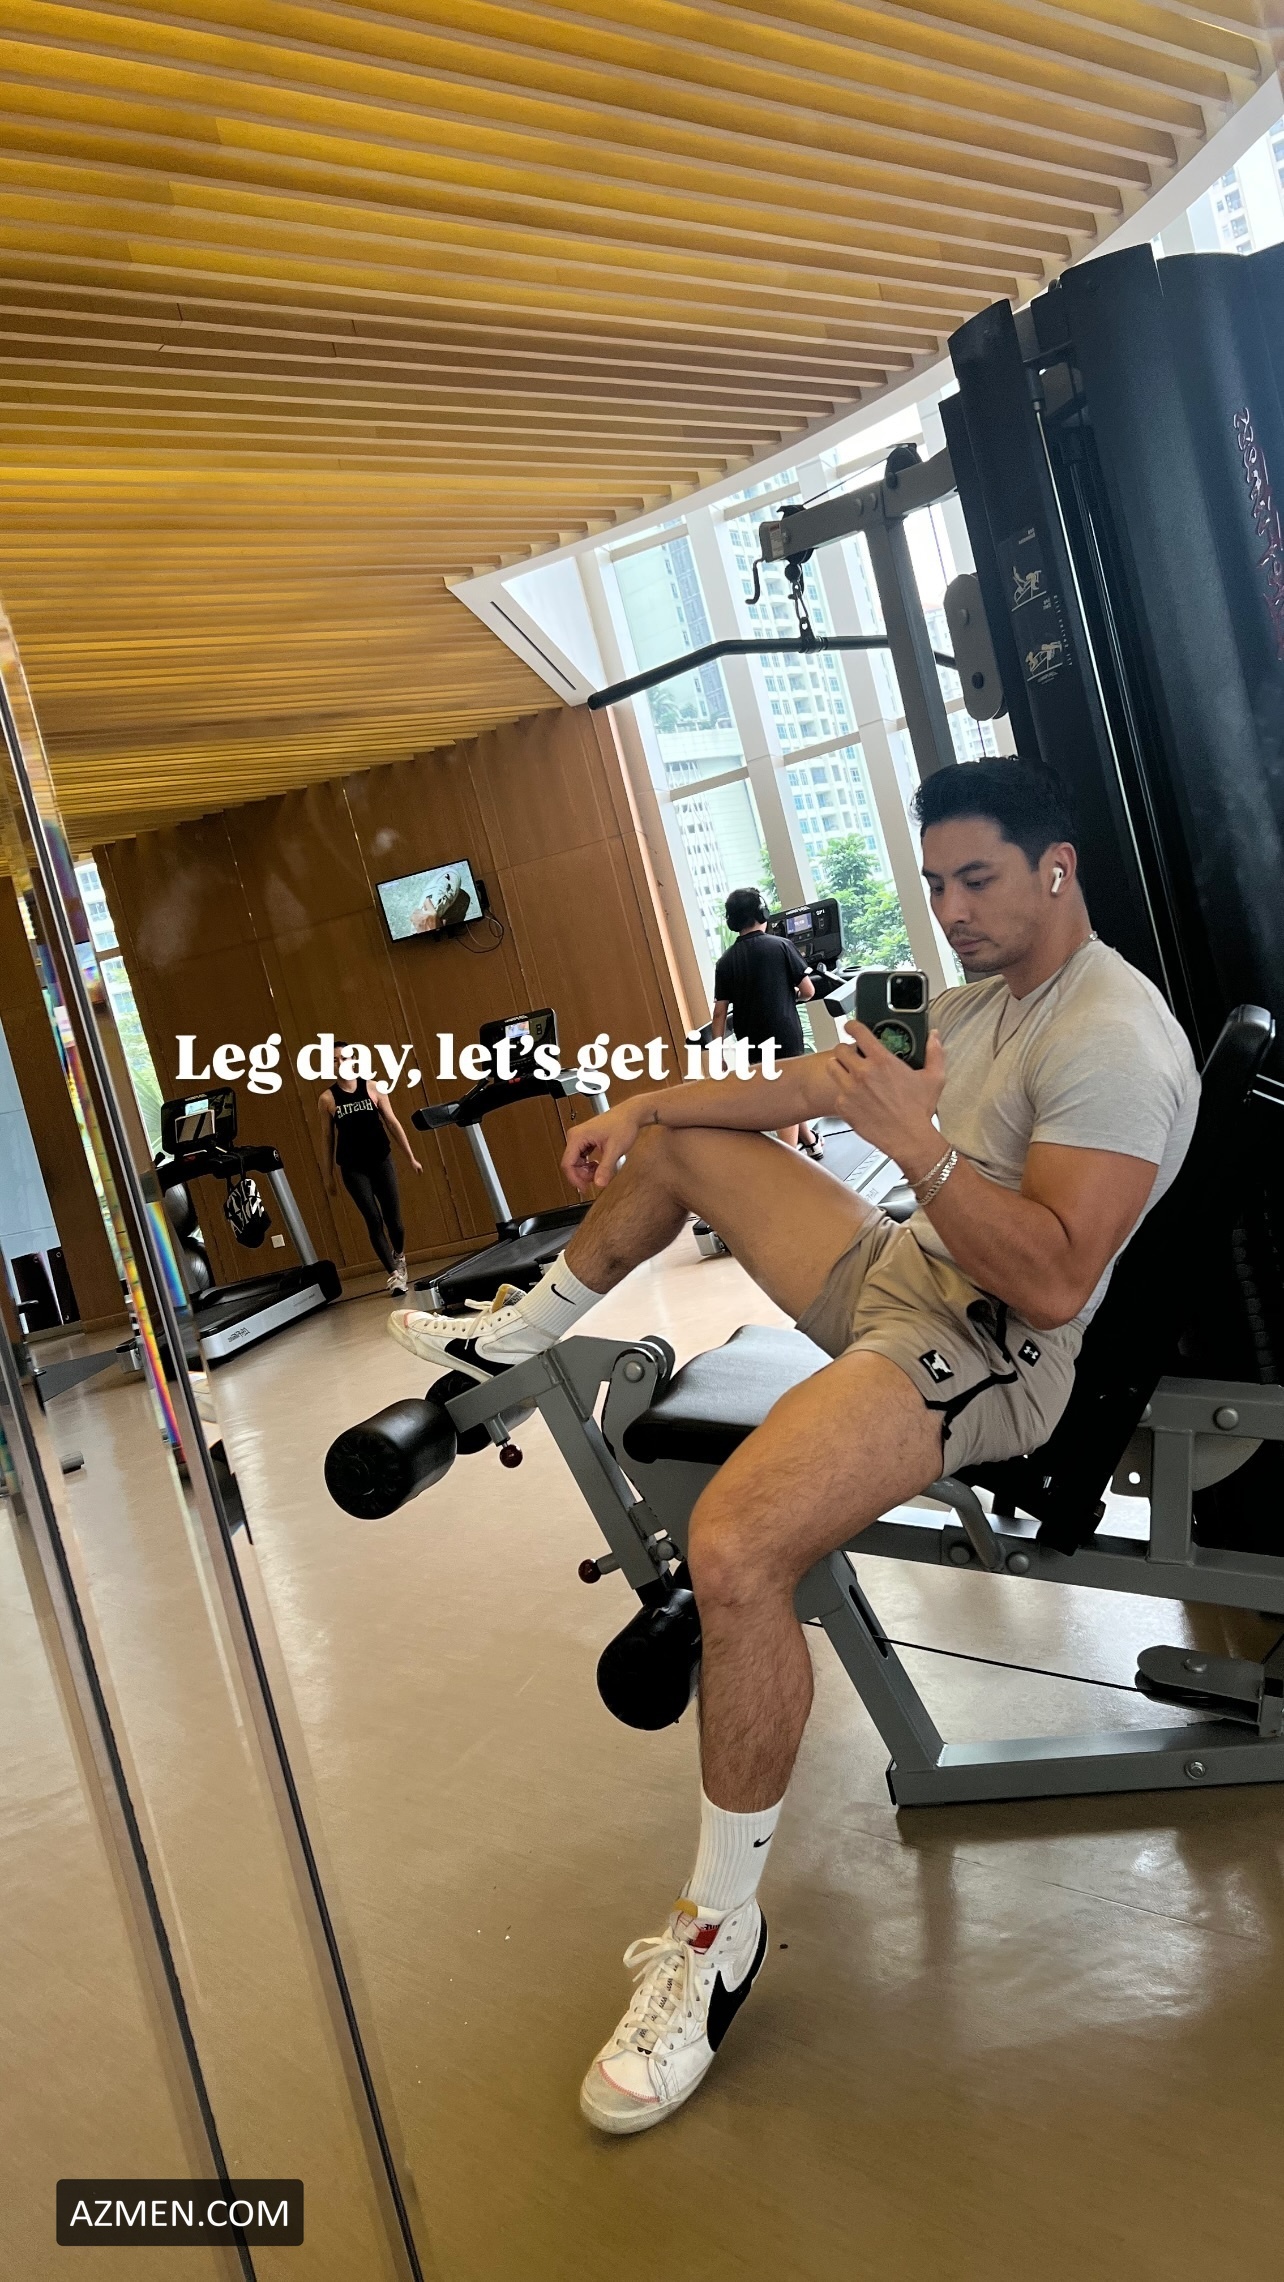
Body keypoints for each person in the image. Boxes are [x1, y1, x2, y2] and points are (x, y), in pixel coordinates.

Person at [387, 757, 1199, 2136]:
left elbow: (1056, 1282)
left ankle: (717, 1937)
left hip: (985, 1349)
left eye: (977, 879)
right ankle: (513, 1339)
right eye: (936, 882)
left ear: (1056, 867)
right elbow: (815, 1080)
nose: (950, 907)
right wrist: (646, 1107)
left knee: (734, 1544)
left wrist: (923, 1153)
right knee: (679, 1148)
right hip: (907, 1268)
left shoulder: (1112, 1036)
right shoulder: (984, 999)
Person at [709, 887, 823, 1157]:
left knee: (780, 1092)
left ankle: (810, 1142)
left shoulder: (725, 962)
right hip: (784, 1033)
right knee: (787, 1096)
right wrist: (791, 994)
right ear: (763, 913)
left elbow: (719, 1013)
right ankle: (790, 1160)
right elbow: (808, 991)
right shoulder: (781, 945)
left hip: (751, 1040)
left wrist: (717, 1054)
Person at [320, 1049, 422, 1294]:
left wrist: (410, 1157)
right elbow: (327, 1138)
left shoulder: (374, 1087)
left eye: (344, 1058)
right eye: (334, 1060)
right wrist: (328, 1175)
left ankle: (399, 1255)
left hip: (381, 1160)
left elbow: (392, 1122)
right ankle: (394, 1276)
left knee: (394, 1221)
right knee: (373, 1220)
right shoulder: (327, 1099)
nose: (340, 1063)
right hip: (352, 1168)